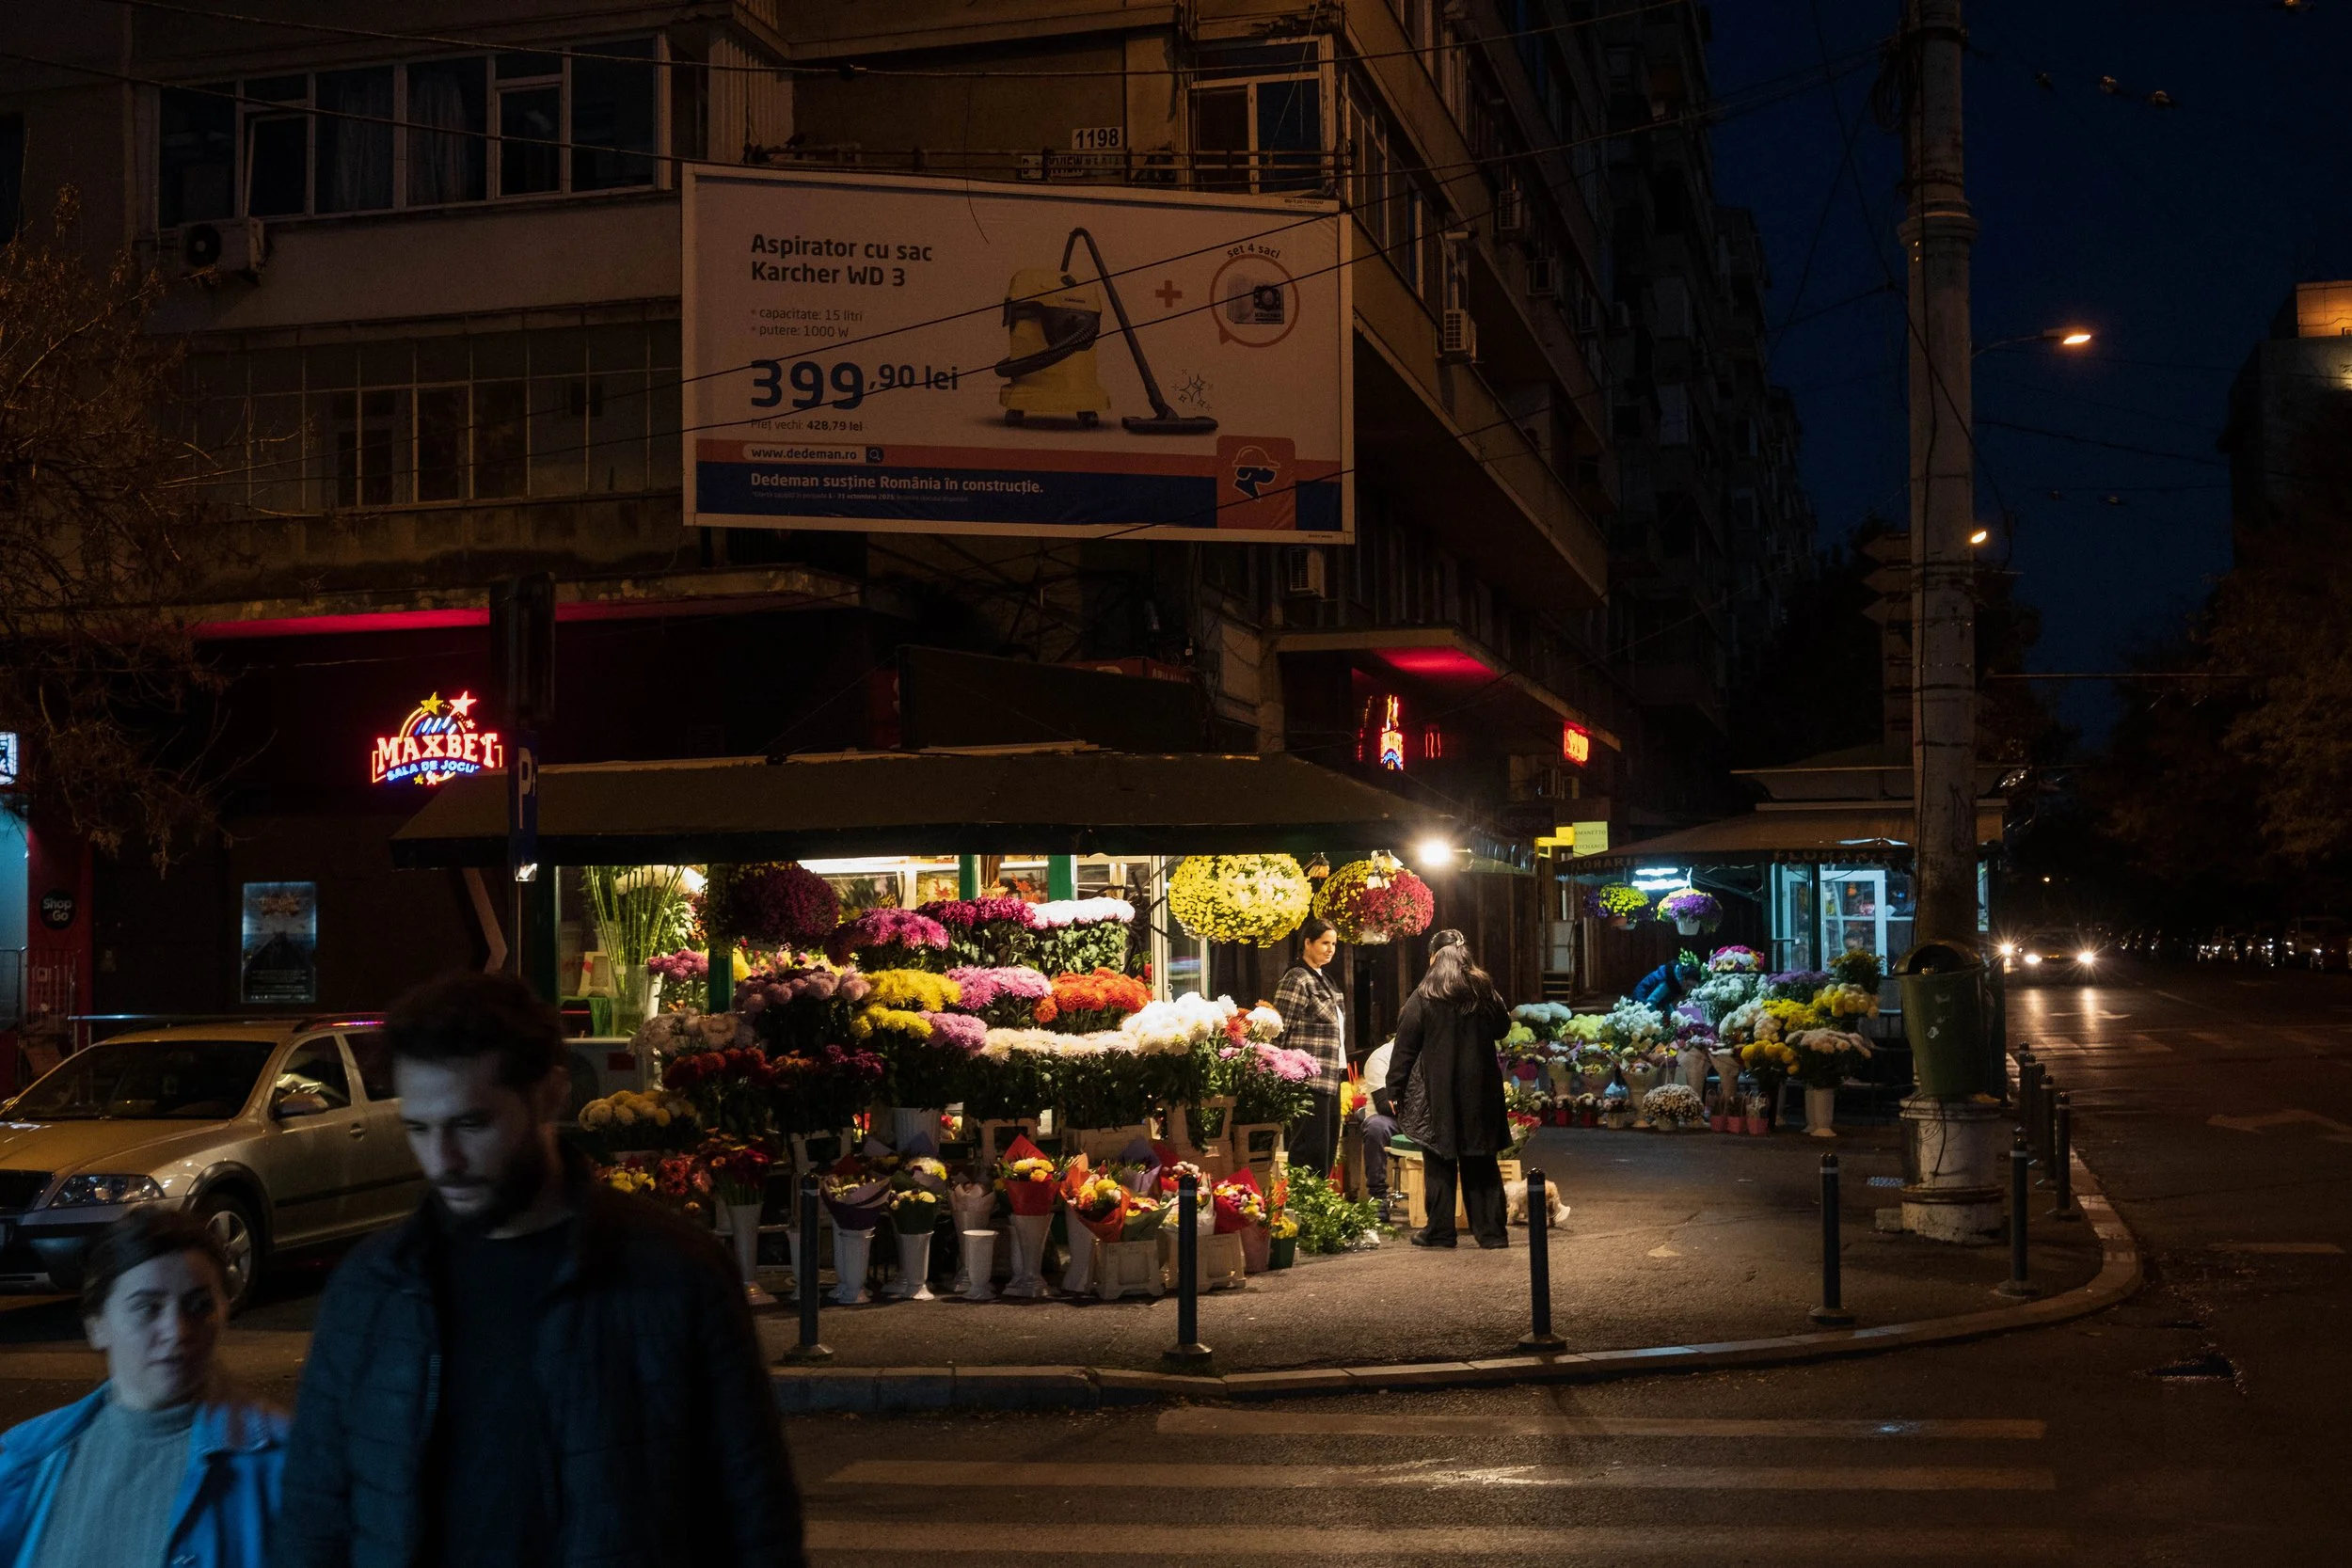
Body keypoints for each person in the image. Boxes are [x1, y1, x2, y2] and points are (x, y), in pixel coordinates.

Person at [274, 969, 804, 1568]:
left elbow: (755, 1510)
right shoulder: (372, 1287)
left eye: (472, 1124)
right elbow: (314, 1515)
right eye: (419, 1129)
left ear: (551, 1095)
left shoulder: (671, 1272)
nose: (442, 1161)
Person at [0, 1208, 288, 1568]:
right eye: (148, 1308)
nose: (178, 1331)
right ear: (97, 1325)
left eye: (199, 1306)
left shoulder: (283, 1462)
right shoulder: (25, 1461)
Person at [1384, 928, 1512, 1249]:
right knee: (1482, 1160)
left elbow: (1405, 1047)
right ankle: (1492, 1233)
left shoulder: (1424, 995)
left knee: (1439, 1159)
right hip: (1481, 1090)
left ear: (1433, 958)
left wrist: (1394, 1090)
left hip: (1437, 1092)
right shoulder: (1483, 990)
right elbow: (1502, 1027)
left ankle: (1440, 1231)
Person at [1272, 916, 1347, 1176]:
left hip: (1330, 1075)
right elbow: (1280, 1028)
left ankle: (1319, 1210)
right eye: (1324, 943)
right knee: (1308, 1151)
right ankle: (1302, 1209)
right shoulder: (1297, 978)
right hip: (1306, 1079)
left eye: (1334, 944)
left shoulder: (1326, 980)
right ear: (1307, 942)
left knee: (1326, 1151)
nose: (1330, 949)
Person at [1353, 1036, 1400, 1214]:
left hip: (1421, 1116)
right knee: (1376, 1127)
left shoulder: (1428, 1053)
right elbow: (1384, 1106)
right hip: (1389, 1119)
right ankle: (1378, 1196)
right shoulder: (1381, 1057)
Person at [1631, 950, 1705, 1009]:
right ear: (1684, 978)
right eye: (1688, 985)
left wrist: (1677, 1018)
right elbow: (1650, 1002)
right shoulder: (1668, 982)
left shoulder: (1675, 981)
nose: (1688, 989)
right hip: (1640, 1001)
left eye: (1692, 987)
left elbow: (1665, 1003)